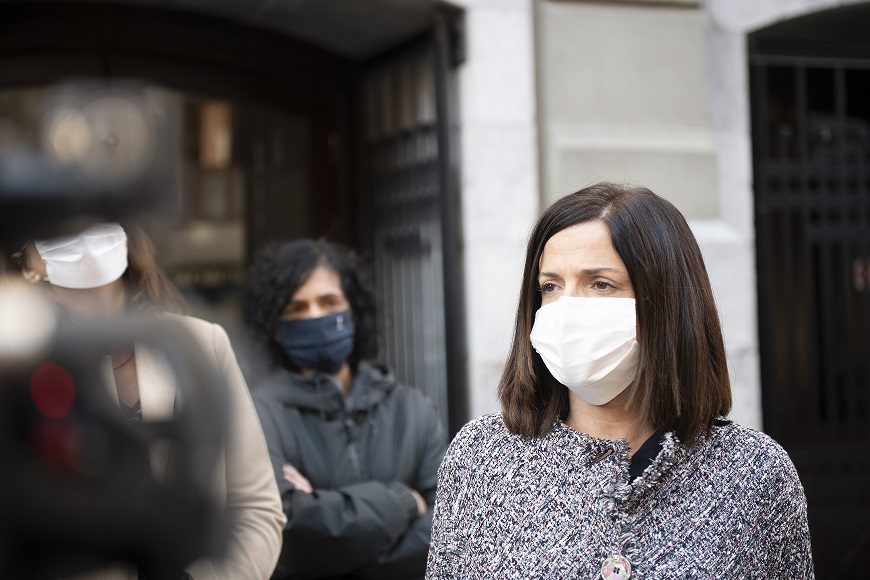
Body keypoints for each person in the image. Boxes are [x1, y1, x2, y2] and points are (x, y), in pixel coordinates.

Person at [426, 183, 814, 579]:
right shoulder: (481, 459)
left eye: (600, 284)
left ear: (666, 302)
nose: (568, 308)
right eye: (550, 286)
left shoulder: (754, 473)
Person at [13, 223, 286, 579]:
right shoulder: (19, 365)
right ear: (29, 261)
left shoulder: (199, 345)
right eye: (64, 224)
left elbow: (256, 508)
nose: (83, 239)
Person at [244, 239, 446, 580]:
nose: (316, 317)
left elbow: (447, 530)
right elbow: (287, 535)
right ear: (276, 328)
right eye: (297, 308)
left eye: (329, 302)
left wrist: (324, 516)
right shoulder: (257, 415)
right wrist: (405, 502)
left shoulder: (412, 409)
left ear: (353, 312)